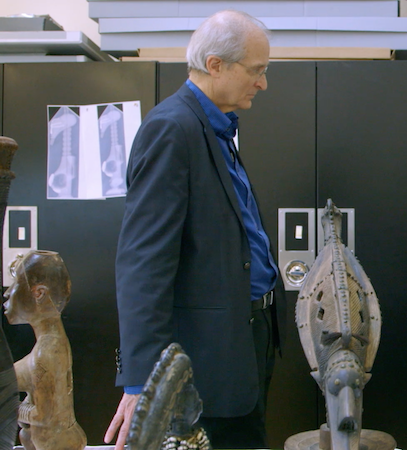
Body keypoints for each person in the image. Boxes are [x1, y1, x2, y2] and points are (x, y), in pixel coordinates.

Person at [103, 10, 283, 450]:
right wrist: (143, 377)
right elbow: (143, 262)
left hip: (243, 340)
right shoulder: (172, 129)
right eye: (256, 71)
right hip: (206, 359)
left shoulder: (216, 128)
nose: (262, 83)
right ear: (216, 65)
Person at [5, 250, 87, 450]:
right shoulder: (49, 346)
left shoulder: (46, 352)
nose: (7, 293)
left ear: (39, 293)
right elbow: (16, 376)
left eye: (15, 284)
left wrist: (15, 410)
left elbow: (44, 415)